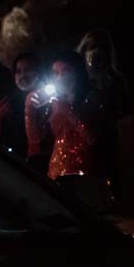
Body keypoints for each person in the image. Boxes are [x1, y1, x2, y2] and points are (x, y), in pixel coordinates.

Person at [77, 28, 131, 181]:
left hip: (112, 150)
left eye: (102, 48)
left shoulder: (116, 81)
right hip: (82, 152)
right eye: (92, 47)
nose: (97, 52)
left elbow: (123, 114)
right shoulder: (76, 82)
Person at [43, 50, 100, 179]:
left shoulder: (92, 98)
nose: (60, 77)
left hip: (83, 173)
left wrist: (68, 111)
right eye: (56, 73)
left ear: (77, 72)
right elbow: (51, 138)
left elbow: (91, 138)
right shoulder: (55, 101)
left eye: (65, 71)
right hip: (56, 171)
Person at [0, 52, 42, 160]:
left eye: (27, 70)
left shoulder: (45, 101)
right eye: (18, 72)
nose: (23, 76)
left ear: (38, 72)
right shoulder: (7, 100)